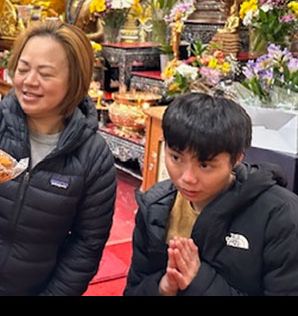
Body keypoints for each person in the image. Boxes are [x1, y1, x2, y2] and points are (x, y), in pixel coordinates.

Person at [0, 20, 117, 296]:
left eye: (45, 74)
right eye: (23, 69)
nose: (29, 82)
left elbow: (87, 244)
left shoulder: (94, 158)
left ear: (75, 80)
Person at [124, 93, 298, 296]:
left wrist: (199, 281)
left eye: (205, 165)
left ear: (236, 160)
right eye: (176, 158)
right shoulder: (155, 205)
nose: (187, 178)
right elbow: (134, 288)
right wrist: (162, 288)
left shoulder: (279, 215)